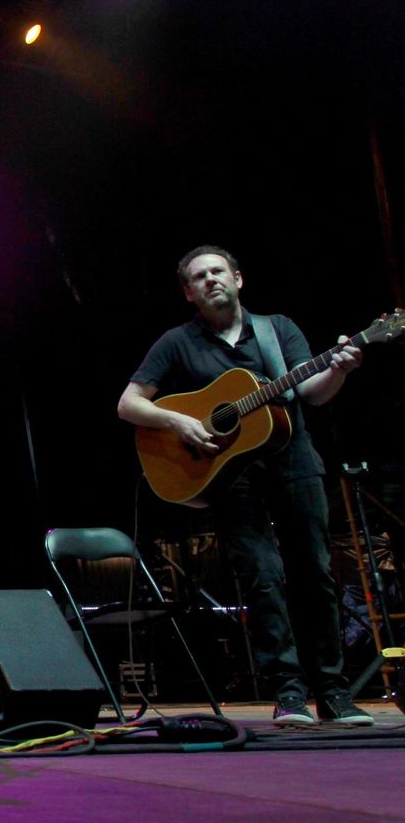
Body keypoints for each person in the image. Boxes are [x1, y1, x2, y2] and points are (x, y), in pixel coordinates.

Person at [117, 245, 372, 726]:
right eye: (199, 276)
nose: (211, 279)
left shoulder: (278, 330)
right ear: (189, 293)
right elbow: (128, 404)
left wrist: (337, 369)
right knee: (263, 579)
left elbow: (309, 393)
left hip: (295, 463)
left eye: (218, 271)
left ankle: (334, 693)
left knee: (314, 576)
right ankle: (289, 693)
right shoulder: (177, 342)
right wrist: (178, 423)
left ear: (238, 279)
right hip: (232, 475)